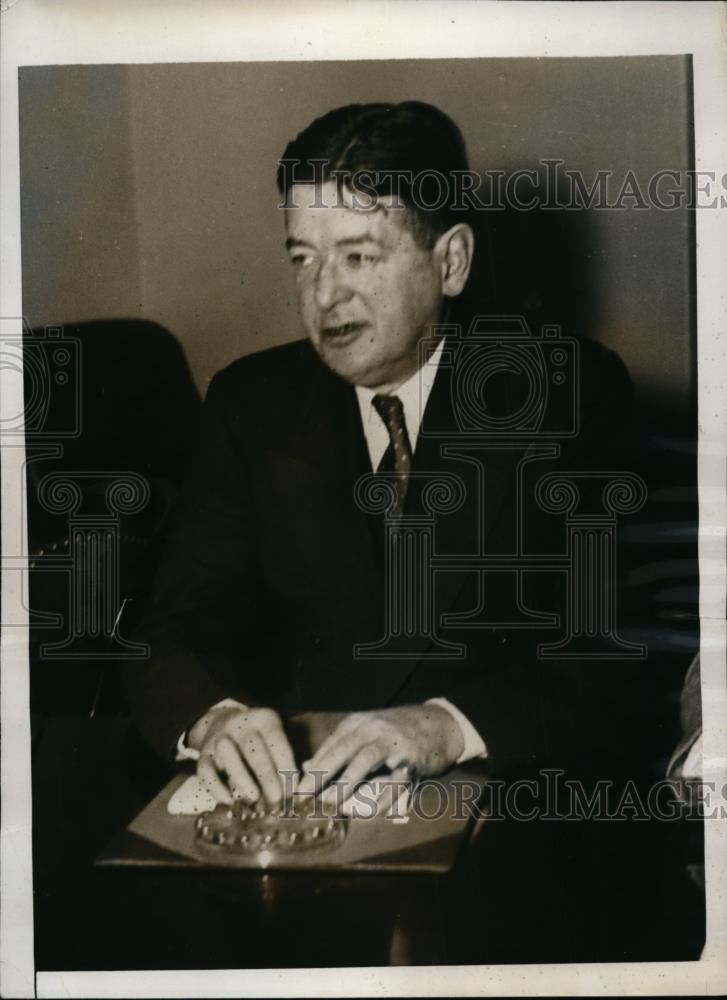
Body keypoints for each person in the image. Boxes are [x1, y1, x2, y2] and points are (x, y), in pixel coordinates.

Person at [124, 101, 642, 810]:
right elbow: (172, 632)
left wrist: (445, 727)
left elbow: (612, 655)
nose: (323, 293)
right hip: (302, 809)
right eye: (303, 258)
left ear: (450, 262)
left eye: (358, 256)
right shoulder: (251, 403)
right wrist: (212, 720)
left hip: (510, 803)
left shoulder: (569, 394)